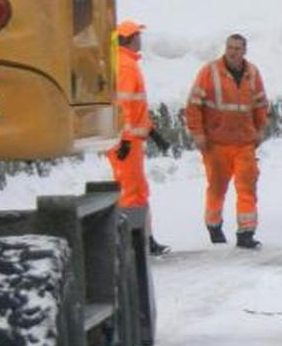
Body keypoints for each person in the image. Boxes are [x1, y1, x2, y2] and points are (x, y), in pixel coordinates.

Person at [185, 34, 270, 249]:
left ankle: (246, 233)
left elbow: (260, 104)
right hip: (217, 143)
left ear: (244, 51)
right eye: (230, 47)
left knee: (247, 188)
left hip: (245, 143)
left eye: (238, 48)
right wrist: (198, 133)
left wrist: (259, 130)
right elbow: (194, 105)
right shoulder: (209, 72)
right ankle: (214, 225)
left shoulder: (252, 73)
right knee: (217, 188)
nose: (233, 52)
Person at [111, 20, 172, 256]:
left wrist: (153, 132)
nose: (141, 39)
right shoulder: (125, 66)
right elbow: (123, 106)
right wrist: (125, 139)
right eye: (138, 35)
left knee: (137, 190)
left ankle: (143, 239)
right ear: (129, 38)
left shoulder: (125, 63)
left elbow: (135, 109)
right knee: (131, 192)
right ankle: (135, 242)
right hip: (125, 143)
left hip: (129, 140)